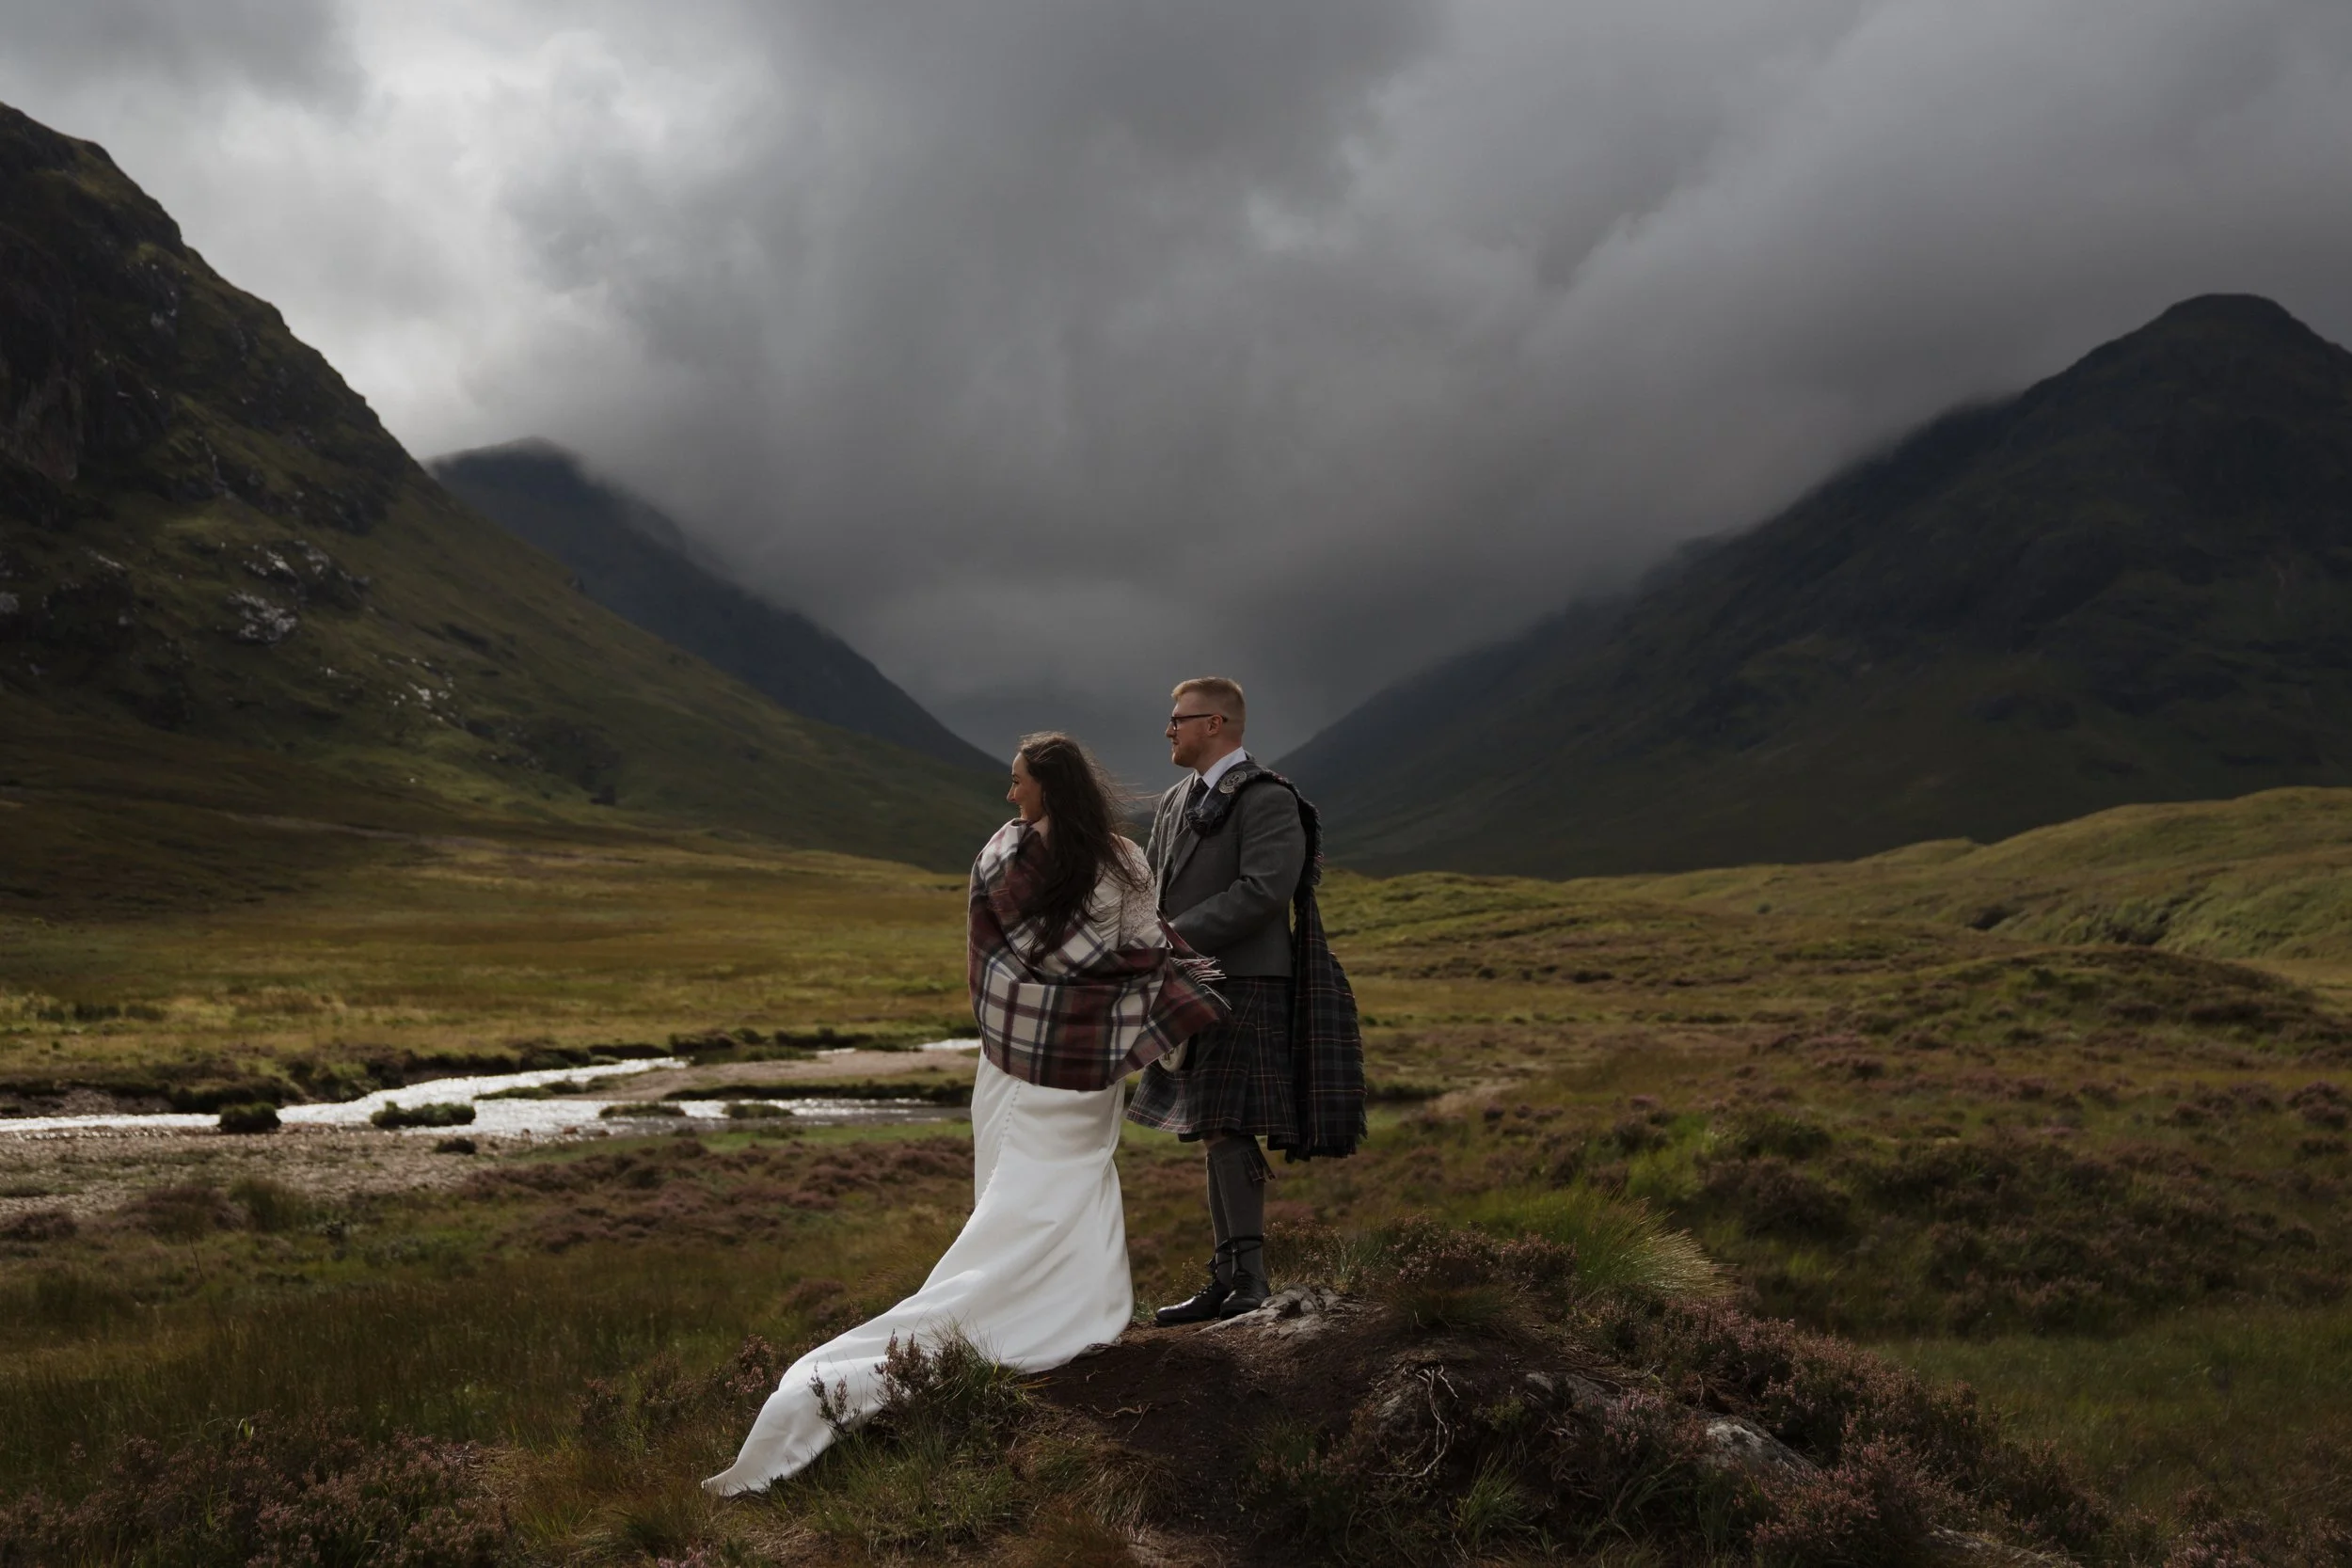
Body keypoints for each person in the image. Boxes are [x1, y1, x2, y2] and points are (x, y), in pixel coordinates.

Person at [706, 732, 1226, 1495]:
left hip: (1017, 1061)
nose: (1009, 794)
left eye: (1017, 781)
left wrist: (1049, 996)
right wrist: (1118, 1002)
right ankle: (1085, 1311)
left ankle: (981, 1318)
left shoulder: (1004, 855)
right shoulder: (1126, 857)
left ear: (1046, 786)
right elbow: (1146, 949)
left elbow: (996, 963)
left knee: (1015, 1194)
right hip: (1088, 1062)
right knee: (1076, 1182)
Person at [1128, 676, 1367, 1324]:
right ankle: (1229, 1277)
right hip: (1191, 980)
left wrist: (1175, 935)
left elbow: (1264, 889)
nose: (1169, 729)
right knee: (1211, 1128)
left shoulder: (1266, 798)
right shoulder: (1178, 800)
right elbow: (1155, 891)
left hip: (1248, 980)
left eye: (1180, 719)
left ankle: (1249, 1282)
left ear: (1217, 724)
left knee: (1228, 1125)